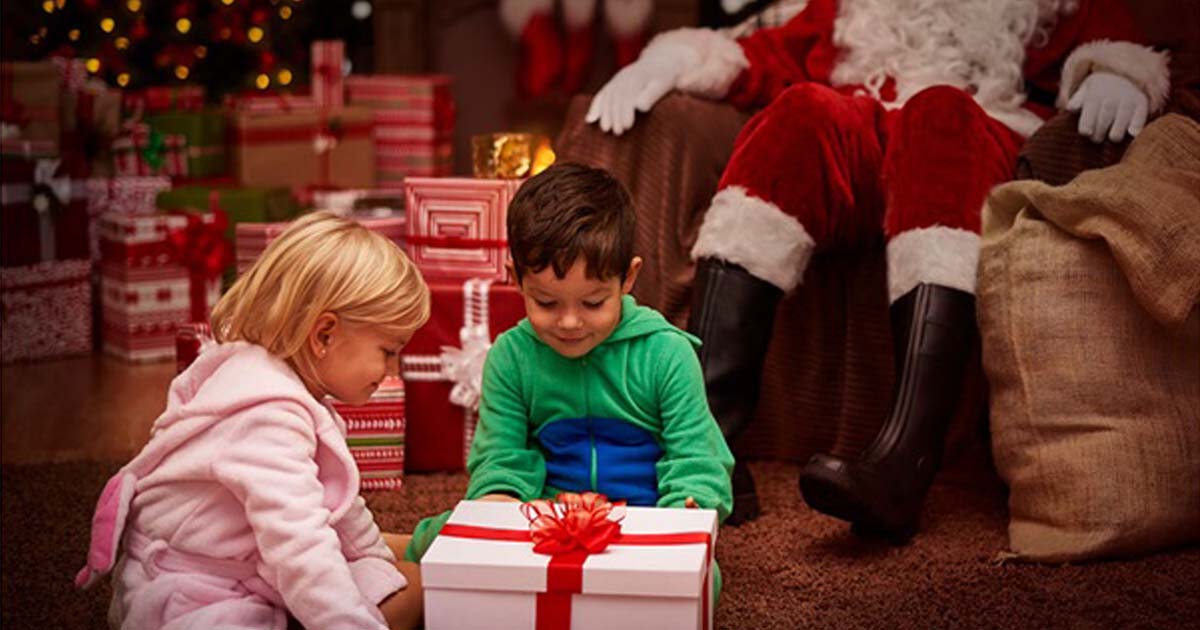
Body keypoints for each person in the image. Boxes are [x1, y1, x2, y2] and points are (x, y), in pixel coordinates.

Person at [586, 0, 1170, 537]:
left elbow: (1115, 38)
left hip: (978, 132)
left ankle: (903, 459)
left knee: (937, 115)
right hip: (869, 135)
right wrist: (672, 61)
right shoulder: (851, 8)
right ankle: (707, 444)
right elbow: (769, 54)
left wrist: (1117, 74)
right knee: (800, 110)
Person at [75, 212, 431, 629]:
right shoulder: (267, 416)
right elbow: (299, 547)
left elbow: (339, 507)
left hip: (249, 571)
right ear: (324, 335)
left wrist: (378, 558)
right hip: (195, 593)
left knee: (417, 584)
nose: (393, 368)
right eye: (387, 351)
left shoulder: (281, 384)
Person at [402, 163, 734, 593]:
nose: (571, 322)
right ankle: (392, 549)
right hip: (544, 513)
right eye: (546, 303)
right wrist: (498, 502)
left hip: (647, 514)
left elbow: (696, 456)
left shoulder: (667, 353)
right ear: (515, 278)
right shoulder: (510, 357)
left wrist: (687, 508)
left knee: (706, 582)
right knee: (449, 533)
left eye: (594, 302)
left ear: (628, 278)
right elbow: (500, 456)